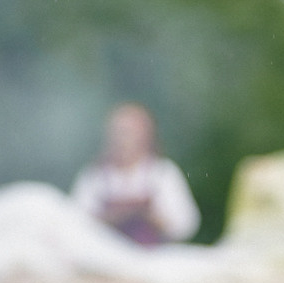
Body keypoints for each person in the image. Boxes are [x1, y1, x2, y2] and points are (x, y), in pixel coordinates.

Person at [71, 103, 198, 245]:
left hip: (153, 260)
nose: (122, 139)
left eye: (128, 132)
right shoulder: (93, 176)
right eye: (117, 132)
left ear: (145, 136)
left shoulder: (162, 173)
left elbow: (186, 225)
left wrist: (150, 217)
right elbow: (75, 224)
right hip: (105, 262)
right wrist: (111, 218)